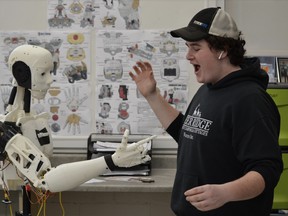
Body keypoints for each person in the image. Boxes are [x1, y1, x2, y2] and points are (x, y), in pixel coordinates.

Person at [129, 7, 283, 216]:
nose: (188, 56)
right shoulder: (208, 90)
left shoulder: (251, 100)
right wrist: (152, 95)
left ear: (223, 49)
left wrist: (226, 193)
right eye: (188, 47)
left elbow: (267, 169)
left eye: (196, 47)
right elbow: (188, 132)